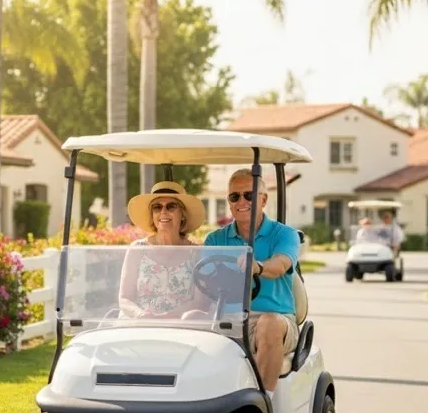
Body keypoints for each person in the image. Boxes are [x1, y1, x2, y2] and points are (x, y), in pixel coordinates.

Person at [203, 168, 299, 392]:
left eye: (249, 195)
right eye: (234, 197)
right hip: (227, 318)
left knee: (270, 324)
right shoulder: (216, 239)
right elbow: (204, 286)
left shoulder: (284, 234)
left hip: (274, 319)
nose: (241, 201)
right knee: (191, 319)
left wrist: (258, 266)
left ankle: (262, 408)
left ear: (263, 200)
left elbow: (281, 264)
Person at [117, 181, 211, 320]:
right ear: (152, 215)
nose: (163, 212)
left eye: (171, 206)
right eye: (157, 207)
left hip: (181, 325)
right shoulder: (137, 249)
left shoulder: (197, 253)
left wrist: (168, 317)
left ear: (183, 214)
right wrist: (141, 315)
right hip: (139, 324)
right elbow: (124, 299)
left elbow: (200, 303)